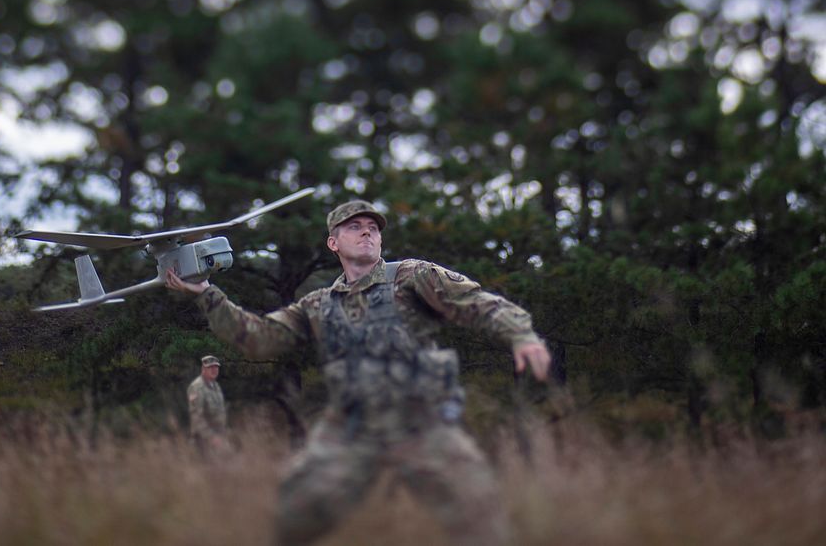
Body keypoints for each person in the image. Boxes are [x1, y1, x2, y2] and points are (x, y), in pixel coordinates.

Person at [166, 200, 552, 545]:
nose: (367, 231)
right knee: (292, 513)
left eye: (373, 228)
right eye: (355, 226)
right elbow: (259, 338)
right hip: (350, 428)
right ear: (333, 243)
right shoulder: (318, 304)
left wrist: (522, 335)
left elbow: (478, 302)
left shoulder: (413, 276)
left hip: (421, 422)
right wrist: (207, 295)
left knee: (478, 514)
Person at [187, 354, 231, 456]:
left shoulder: (216, 386)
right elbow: (197, 418)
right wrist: (212, 437)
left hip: (219, 439)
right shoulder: (197, 387)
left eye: (216, 367)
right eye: (210, 367)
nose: (214, 370)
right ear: (203, 369)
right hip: (203, 442)